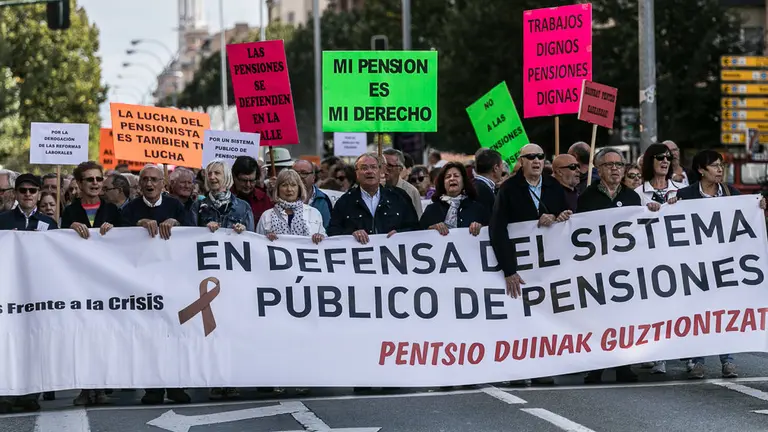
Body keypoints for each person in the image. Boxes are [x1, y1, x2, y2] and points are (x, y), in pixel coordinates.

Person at [672, 149, 767, 379]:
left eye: (721, 165)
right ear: (701, 170)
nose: (719, 170)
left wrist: (758, 208)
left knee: (723, 311)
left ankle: (728, 360)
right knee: (697, 312)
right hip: (694, 267)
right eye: (714, 166)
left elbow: (748, 221)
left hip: (725, 264)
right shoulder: (685, 196)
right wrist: (670, 206)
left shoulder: (731, 194)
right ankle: (697, 360)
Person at [576, 148, 661, 383]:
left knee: (623, 318)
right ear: (599, 169)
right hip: (596, 268)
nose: (615, 168)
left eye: (619, 165)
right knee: (597, 319)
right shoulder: (587, 197)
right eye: (609, 164)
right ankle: (596, 367)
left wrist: (650, 210)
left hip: (624, 269)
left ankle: (624, 365)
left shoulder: (633, 198)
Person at [489, 144, 570, 386]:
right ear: (521, 162)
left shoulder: (553, 185)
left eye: (540, 157)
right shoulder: (509, 189)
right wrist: (509, 269)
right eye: (531, 157)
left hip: (547, 265)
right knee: (520, 316)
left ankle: (542, 367)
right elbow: (497, 228)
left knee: (544, 314)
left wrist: (556, 217)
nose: (536, 161)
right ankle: (518, 369)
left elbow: (564, 215)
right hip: (520, 263)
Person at [0, 173, 57, 413]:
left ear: (38, 194)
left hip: (37, 291)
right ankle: (6, 391)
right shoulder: (2, 220)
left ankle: (30, 392)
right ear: (15, 192)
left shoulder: (49, 223)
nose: (27, 195)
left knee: (35, 339)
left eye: (32, 191)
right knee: (8, 340)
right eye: (23, 190)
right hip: (9, 290)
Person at [327, 152, 419, 244]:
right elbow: (333, 232)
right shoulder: (345, 201)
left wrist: (400, 233)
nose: (369, 171)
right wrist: (351, 234)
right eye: (364, 168)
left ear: (380, 171)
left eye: (373, 167)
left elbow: (415, 228)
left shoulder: (399, 197)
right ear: (356, 173)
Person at [122, 164, 192, 243]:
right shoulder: (129, 208)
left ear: (162, 183)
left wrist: (175, 222)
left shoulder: (176, 205)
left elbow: (190, 231)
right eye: (145, 179)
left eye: (154, 179)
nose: (149, 184)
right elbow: (120, 235)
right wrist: (138, 224)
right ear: (140, 183)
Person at [257, 169, 325, 244]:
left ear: (299, 189)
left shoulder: (314, 213)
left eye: (293, 185)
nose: (289, 189)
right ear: (277, 189)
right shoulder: (266, 216)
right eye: (284, 185)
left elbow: (325, 242)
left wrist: (320, 237)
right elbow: (258, 244)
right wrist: (266, 239)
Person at [419, 161, 488, 235]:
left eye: (456, 176)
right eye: (448, 177)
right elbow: (419, 234)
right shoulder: (432, 209)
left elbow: (490, 232)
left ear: (463, 181)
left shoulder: (477, 209)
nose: (452, 179)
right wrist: (431, 229)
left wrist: (481, 228)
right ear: (443, 183)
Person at [62, 161, 124, 242]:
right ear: (79, 183)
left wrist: (113, 229)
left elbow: (121, 237)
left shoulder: (112, 209)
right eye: (90, 179)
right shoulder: (69, 211)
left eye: (99, 179)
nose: (95, 182)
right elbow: (62, 239)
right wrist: (70, 228)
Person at [192, 159, 254, 236]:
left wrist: (244, 231)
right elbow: (191, 236)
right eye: (209, 174)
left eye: (217, 173)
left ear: (226, 176)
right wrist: (205, 229)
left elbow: (252, 238)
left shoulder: (243, 207)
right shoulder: (198, 206)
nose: (212, 177)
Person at [635, 143, 686, 208]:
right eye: (660, 157)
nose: (665, 161)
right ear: (650, 161)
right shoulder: (638, 193)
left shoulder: (683, 189)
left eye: (668, 157)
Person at [382, 148, 423, 217]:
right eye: (382, 165)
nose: (384, 169)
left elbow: (418, 220)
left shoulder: (411, 191)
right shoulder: (373, 188)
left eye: (389, 166)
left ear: (400, 169)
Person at [231, 156, 273, 224]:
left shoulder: (263, 199)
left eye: (252, 181)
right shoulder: (226, 199)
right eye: (244, 180)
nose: (248, 185)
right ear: (234, 177)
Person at [293, 160, 332, 229]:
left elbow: (328, 228)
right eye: (295, 173)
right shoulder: (283, 199)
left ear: (313, 178)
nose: (299, 177)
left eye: (304, 173)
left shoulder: (323, 199)